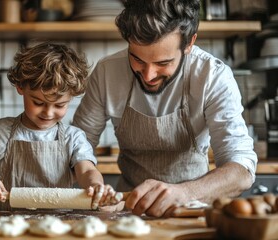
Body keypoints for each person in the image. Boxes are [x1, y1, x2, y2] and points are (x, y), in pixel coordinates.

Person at [72, 0, 258, 217]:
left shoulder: (212, 76)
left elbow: (242, 169)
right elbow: (78, 146)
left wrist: (185, 193)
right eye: (137, 59)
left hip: (191, 211)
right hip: (127, 212)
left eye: (163, 63)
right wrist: (92, 180)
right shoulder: (107, 72)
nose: (148, 75)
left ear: (189, 44)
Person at [0, 42, 118, 211]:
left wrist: (95, 185)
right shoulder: (0, 131)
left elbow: (87, 171)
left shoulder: (73, 138)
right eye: (38, 102)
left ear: (71, 97)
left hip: (58, 230)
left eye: (59, 105)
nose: (48, 113)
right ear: (20, 87)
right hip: (7, 229)